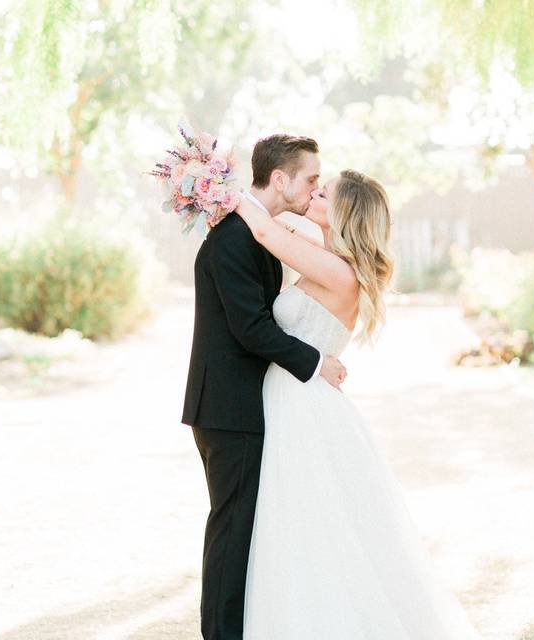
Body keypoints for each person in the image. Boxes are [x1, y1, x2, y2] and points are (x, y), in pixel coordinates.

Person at [234, 170, 482, 639]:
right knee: (298, 522)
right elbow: (275, 230)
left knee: (304, 522)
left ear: (343, 213)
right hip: (295, 396)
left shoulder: (338, 271)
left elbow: (264, 229)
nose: (314, 192)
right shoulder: (324, 257)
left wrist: (219, 187)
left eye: (324, 193)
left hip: (302, 406)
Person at [181, 134, 348, 640]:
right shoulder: (234, 236)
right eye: (312, 179)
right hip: (229, 410)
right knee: (231, 535)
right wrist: (317, 361)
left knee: (243, 533)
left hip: (241, 406)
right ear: (281, 179)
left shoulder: (255, 231)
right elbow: (251, 328)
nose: (316, 188)